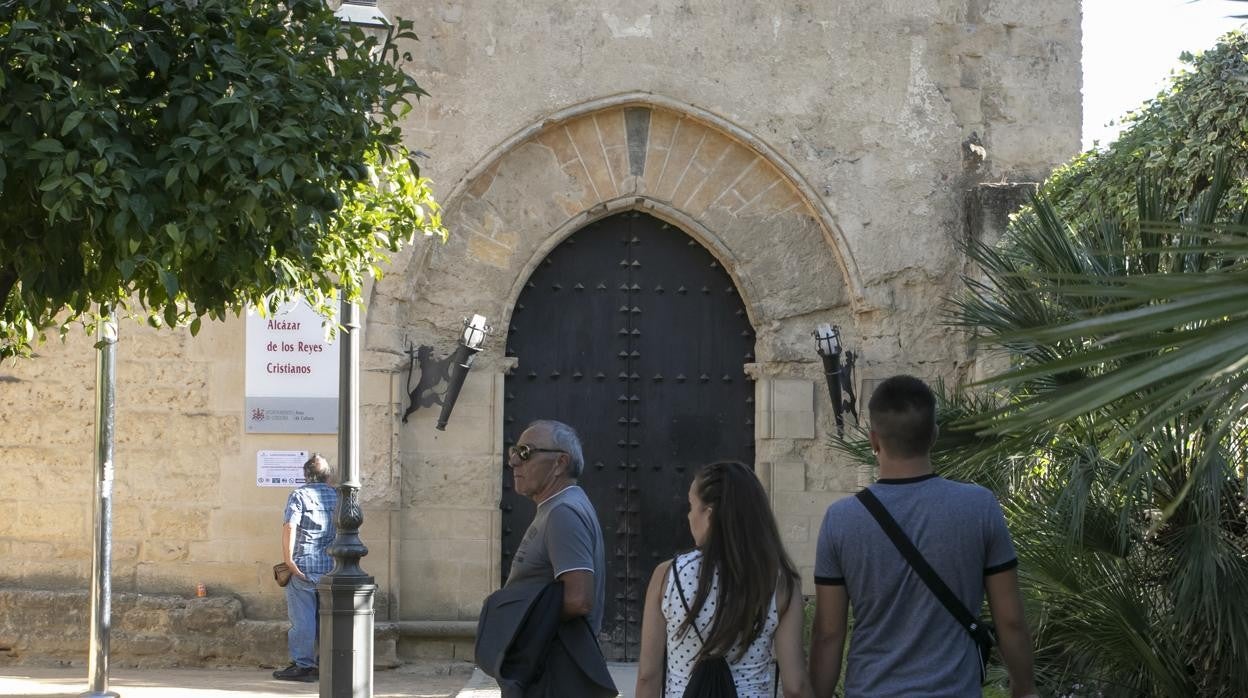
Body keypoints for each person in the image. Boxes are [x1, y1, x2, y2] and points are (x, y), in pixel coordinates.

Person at [808, 375, 1038, 698]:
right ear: (934, 435)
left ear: (874, 440)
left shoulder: (840, 520)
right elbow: (1010, 621)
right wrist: (1024, 689)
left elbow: (828, 634)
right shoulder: (979, 507)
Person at [636, 461, 815, 698]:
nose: (689, 517)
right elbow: (795, 686)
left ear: (709, 515)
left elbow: (648, 675)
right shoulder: (778, 581)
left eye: (692, 507)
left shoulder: (668, 576)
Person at [503, 419, 607, 633]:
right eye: (513, 451)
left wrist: (518, 621)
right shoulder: (560, 506)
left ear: (560, 462)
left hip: (552, 661)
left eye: (525, 452)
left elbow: (579, 600)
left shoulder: (563, 512)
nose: (513, 461)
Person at [273, 453, 338, 683]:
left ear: (305, 475)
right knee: (326, 619)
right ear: (327, 476)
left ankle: (304, 666)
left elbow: (290, 526)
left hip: (303, 568)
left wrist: (289, 561)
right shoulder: (337, 495)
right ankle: (326, 663)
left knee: (303, 620)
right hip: (331, 568)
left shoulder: (299, 495)